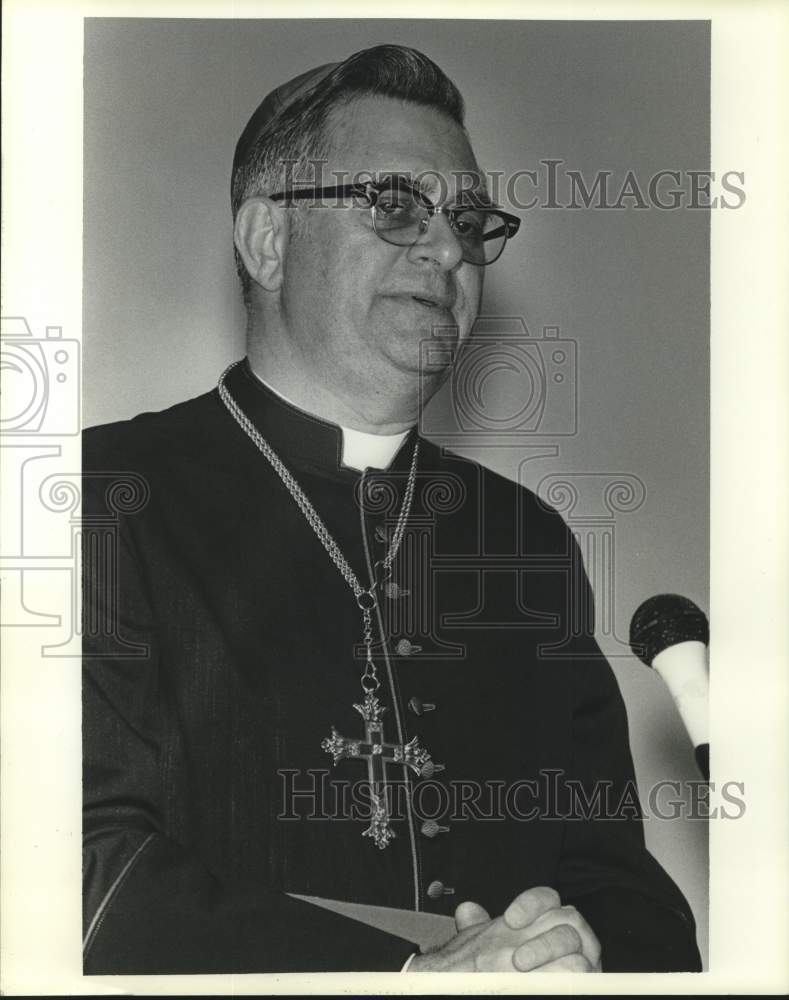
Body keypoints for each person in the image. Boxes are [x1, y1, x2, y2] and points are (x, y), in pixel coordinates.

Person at [82, 44, 701, 974]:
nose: (448, 247)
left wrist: (589, 961)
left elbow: (610, 873)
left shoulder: (520, 540)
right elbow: (76, 870)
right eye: (394, 205)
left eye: (466, 217)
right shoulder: (98, 497)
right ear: (267, 240)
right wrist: (408, 979)